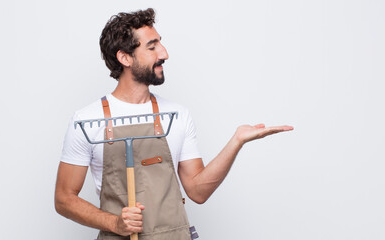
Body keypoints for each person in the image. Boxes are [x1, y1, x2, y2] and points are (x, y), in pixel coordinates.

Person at [54, 8, 293, 240]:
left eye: (160, 43)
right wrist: (115, 223)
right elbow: (64, 199)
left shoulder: (176, 116)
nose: (164, 53)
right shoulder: (87, 120)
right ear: (124, 57)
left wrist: (236, 141)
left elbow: (198, 192)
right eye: (152, 47)